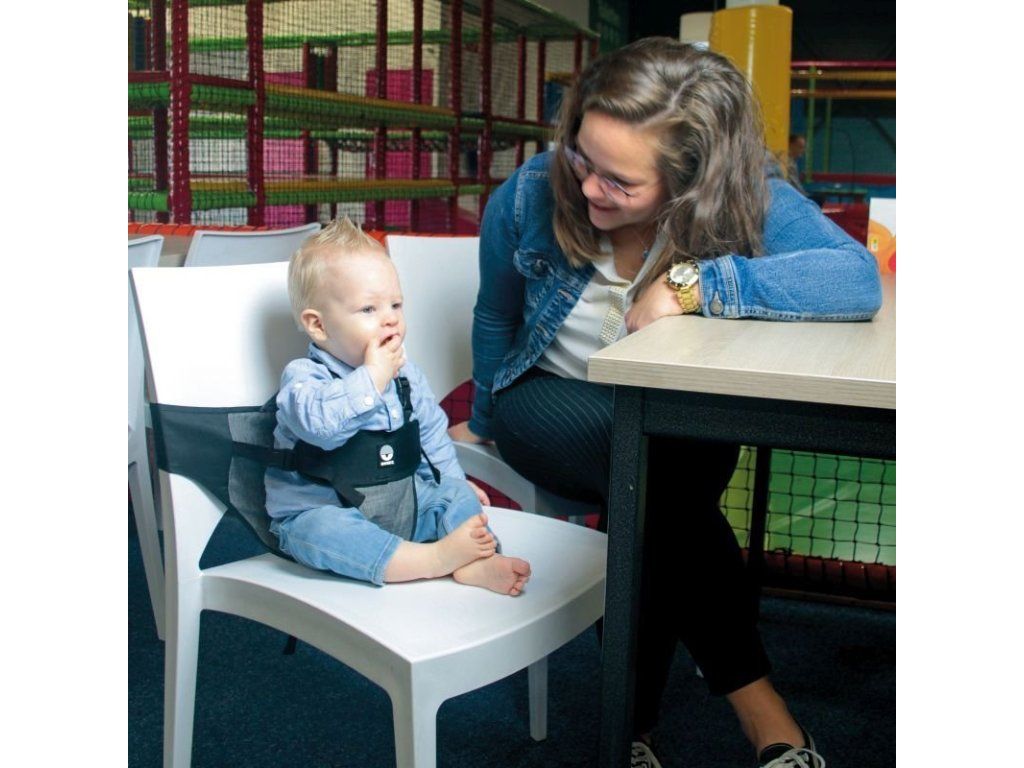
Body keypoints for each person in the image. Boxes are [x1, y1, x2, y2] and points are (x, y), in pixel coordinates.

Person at [449, 38, 881, 767]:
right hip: (547, 400)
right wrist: (485, 421)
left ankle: (631, 727)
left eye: (620, 181)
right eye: (583, 157)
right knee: (659, 480)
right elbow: (496, 314)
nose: (589, 187)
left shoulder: (743, 196)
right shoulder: (531, 191)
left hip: (669, 416)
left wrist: (695, 285)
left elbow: (854, 279)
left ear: (689, 180)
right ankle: (763, 714)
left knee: (661, 487)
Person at [265, 217, 531, 595]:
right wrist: (372, 378)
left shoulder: (406, 377)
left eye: (395, 304)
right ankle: (433, 559)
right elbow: (321, 428)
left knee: (457, 495)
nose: (390, 318)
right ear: (319, 326)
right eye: (368, 309)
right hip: (329, 512)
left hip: (403, 505)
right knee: (318, 530)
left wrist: (454, 482)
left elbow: (432, 436)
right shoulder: (305, 379)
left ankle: (476, 562)